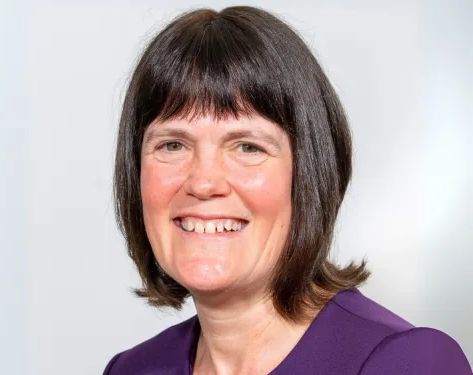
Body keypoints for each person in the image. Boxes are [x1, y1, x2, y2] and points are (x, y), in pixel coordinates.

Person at [104, 6, 472, 375]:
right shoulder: (131, 369)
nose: (203, 182)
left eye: (248, 147)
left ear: (309, 174)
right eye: (172, 145)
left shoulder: (408, 363)